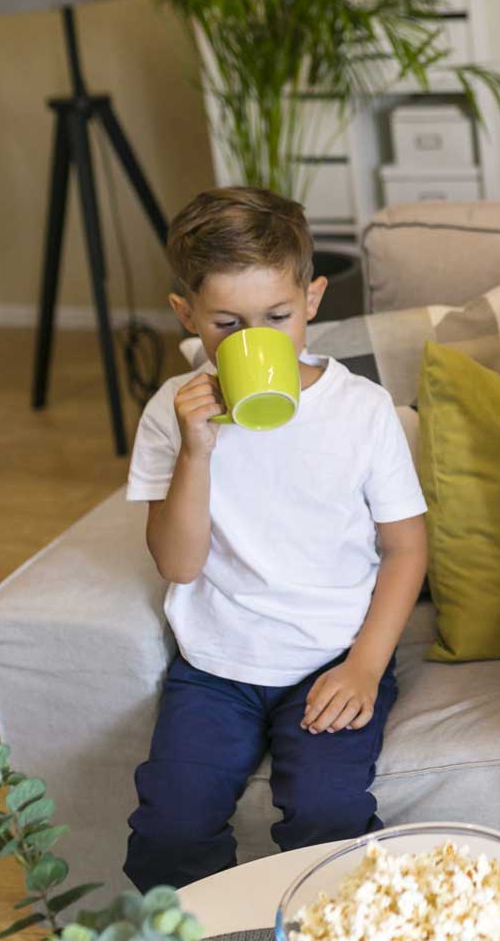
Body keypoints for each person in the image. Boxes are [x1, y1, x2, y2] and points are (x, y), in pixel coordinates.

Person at [122, 187, 428, 890]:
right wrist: (198, 452)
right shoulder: (172, 414)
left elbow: (407, 548)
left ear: (313, 301)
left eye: (276, 318)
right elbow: (178, 562)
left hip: (330, 655)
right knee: (169, 830)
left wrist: (366, 667)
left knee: (327, 816)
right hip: (214, 669)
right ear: (187, 315)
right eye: (227, 324)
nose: (252, 340)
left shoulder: (360, 410)